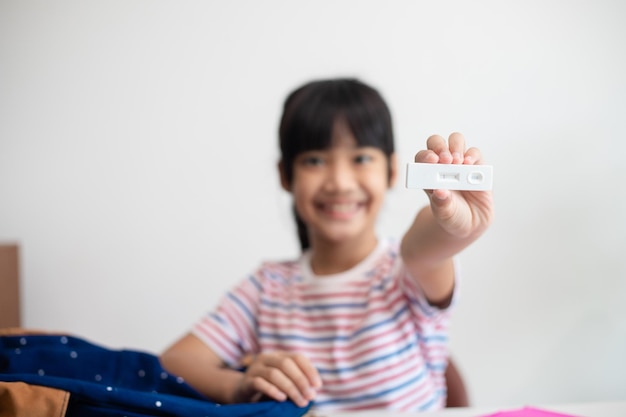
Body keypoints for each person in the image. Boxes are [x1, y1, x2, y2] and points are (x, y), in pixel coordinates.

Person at [159, 78, 494, 412]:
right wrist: (238, 385)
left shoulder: (402, 271)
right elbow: (176, 360)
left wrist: (452, 226)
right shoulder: (266, 289)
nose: (339, 182)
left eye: (361, 158)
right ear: (285, 176)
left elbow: (424, 251)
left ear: (392, 170)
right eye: (315, 161)